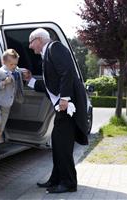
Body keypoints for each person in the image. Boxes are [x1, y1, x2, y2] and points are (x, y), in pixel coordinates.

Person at [23, 28, 89, 193]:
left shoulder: (55, 48)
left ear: (38, 39)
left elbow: (67, 72)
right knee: (58, 144)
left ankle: (68, 183)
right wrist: (30, 80)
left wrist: (65, 98)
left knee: (63, 146)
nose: (30, 47)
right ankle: (56, 179)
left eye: (31, 42)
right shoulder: (47, 54)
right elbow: (50, 86)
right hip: (63, 107)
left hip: (68, 107)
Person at [0, 49, 24, 157]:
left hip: (7, 105)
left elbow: (18, 71)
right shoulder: (0, 72)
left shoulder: (16, 71)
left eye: (15, 64)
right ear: (4, 62)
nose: (14, 66)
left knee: (0, 129)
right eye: (11, 64)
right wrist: (4, 82)